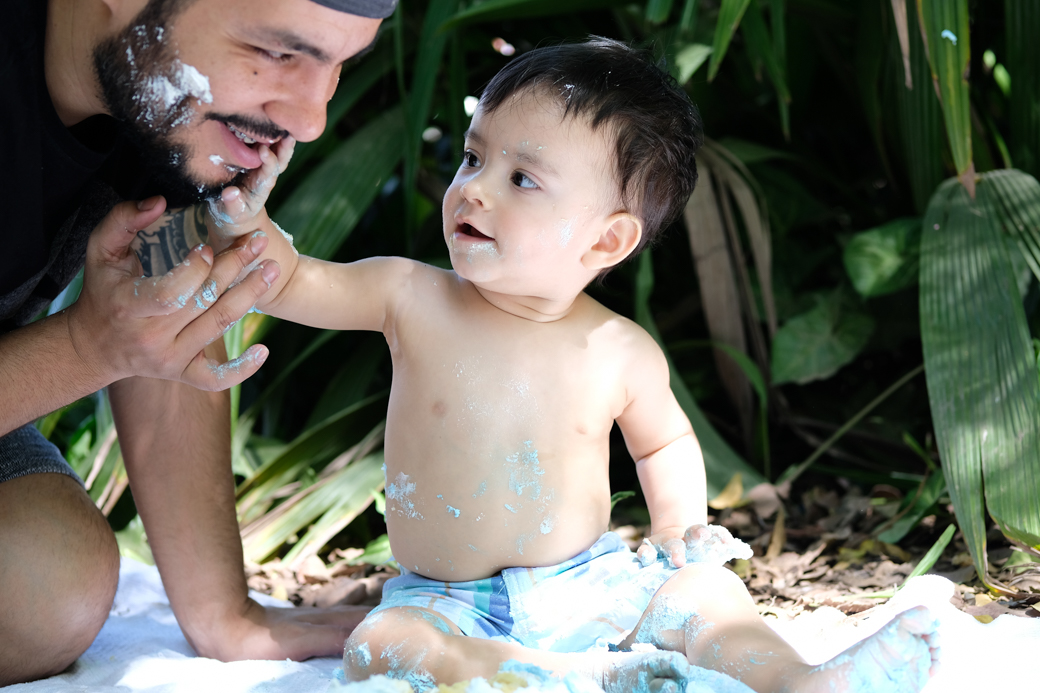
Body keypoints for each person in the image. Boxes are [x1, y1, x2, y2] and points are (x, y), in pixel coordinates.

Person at [203, 38, 942, 693]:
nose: (476, 187)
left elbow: (664, 442)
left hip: (589, 584)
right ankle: (529, 679)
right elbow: (298, 280)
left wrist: (679, 526)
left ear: (606, 240)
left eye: (522, 178)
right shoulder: (409, 295)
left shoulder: (619, 348)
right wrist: (251, 231)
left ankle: (798, 680)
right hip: (444, 598)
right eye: (473, 156)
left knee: (707, 598)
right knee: (380, 644)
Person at [0, 0, 397, 684]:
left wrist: (225, 615)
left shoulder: (160, 96)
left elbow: (159, 309)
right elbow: (112, 341)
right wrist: (84, 350)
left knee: (45, 583)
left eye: (339, 65)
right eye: (279, 54)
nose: (309, 119)